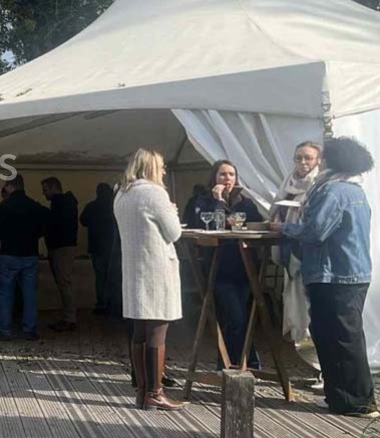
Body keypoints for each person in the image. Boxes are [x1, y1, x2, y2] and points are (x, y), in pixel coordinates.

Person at [273, 137, 378, 418]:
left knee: (340, 339)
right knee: (339, 337)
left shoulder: (333, 191)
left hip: (333, 274)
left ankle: (358, 402)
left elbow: (315, 231)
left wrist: (284, 228)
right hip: (350, 272)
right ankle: (341, 397)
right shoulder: (355, 191)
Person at [114, 149, 185, 411]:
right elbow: (174, 232)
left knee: (139, 332)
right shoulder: (155, 193)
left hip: (134, 267)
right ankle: (156, 391)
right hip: (156, 268)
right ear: (152, 167)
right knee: (157, 330)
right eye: (162, 166)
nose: (164, 171)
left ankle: (143, 391)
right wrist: (173, 212)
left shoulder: (121, 193)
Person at [189, 160, 265, 370]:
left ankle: (232, 361)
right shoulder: (203, 200)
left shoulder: (245, 202)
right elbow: (205, 225)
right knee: (234, 315)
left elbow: (255, 222)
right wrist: (218, 200)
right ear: (214, 178)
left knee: (243, 315)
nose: (227, 179)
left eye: (231, 174)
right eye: (223, 174)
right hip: (219, 267)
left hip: (244, 266)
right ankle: (241, 361)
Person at [0, 174, 50, 340]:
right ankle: (29, 329)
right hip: (30, 254)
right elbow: (46, 224)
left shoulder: (4, 206)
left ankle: (4, 330)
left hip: (9, 254)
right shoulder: (34, 206)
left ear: (10, 186)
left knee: (6, 293)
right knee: (29, 293)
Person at [274, 142, 322, 352]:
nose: (302, 162)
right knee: (297, 310)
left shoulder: (319, 185)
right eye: (298, 158)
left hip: (309, 257)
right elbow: (276, 208)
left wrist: (288, 225)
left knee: (311, 312)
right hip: (290, 254)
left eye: (308, 158)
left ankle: (319, 367)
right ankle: (307, 359)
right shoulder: (288, 184)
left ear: (318, 161)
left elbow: (316, 225)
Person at [41, 177, 80, 331]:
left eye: (45, 190)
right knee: (64, 282)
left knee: (64, 282)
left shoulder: (59, 204)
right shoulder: (67, 203)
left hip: (61, 248)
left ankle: (70, 317)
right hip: (64, 246)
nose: (44, 194)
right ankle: (68, 316)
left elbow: (55, 224)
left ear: (53, 188)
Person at [79, 183, 119, 318]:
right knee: (114, 277)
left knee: (100, 278)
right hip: (112, 247)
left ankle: (102, 304)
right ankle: (114, 304)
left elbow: (82, 220)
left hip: (96, 247)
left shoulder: (92, 206)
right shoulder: (114, 206)